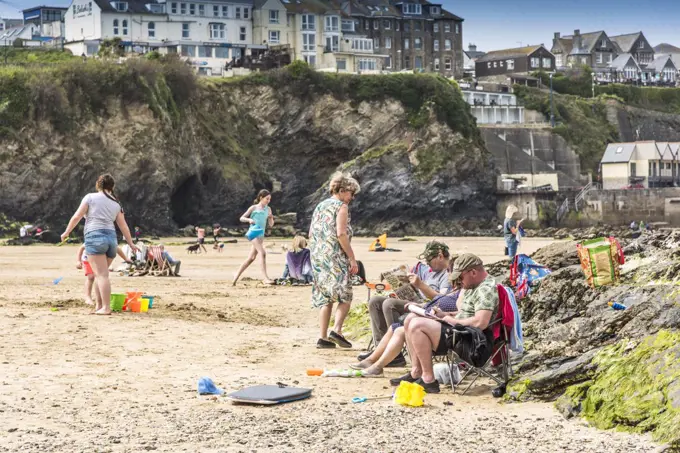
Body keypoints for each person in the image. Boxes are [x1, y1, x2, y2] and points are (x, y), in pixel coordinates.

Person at [396, 253, 499, 393]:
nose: (459, 282)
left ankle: (428, 380)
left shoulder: (485, 289)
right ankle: (416, 371)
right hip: (462, 331)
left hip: (471, 340)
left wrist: (452, 321)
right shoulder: (474, 285)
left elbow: (481, 322)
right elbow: (469, 314)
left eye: (460, 277)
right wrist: (446, 315)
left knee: (417, 325)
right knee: (409, 319)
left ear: (473, 272)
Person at [363, 241, 453, 363]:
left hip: (429, 308)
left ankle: (395, 354)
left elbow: (443, 299)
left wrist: (421, 285)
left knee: (389, 304)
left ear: (440, 256)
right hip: (417, 301)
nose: (427, 262)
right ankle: (380, 348)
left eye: (429, 259)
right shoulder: (429, 270)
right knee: (375, 301)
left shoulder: (447, 275)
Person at [61, 174, 138, 315]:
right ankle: (99, 306)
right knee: (100, 274)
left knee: (102, 275)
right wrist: (131, 243)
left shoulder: (90, 197)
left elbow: (77, 216)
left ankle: (106, 308)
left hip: (95, 237)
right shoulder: (116, 203)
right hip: (111, 239)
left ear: (98, 184)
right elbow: (123, 226)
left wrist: (66, 232)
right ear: (112, 187)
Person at [351, 289, 463, 376]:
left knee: (403, 327)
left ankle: (382, 364)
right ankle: (373, 361)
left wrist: (444, 315)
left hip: (444, 328)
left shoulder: (465, 291)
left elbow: (462, 314)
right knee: (397, 327)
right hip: (430, 315)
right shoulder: (458, 288)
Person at [309, 172, 360, 349]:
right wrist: (352, 258)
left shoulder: (320, 206)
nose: (352, 198)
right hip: (335, 256)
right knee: (345, 295)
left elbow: (312, 233)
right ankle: (337, 330)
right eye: (351, 193)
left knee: (326, 297)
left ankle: (322, 337)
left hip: (318, 256)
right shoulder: (341, 207)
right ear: (343, 190)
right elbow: (341, 234)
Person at [232, 189, 275, 285]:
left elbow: (271, 225)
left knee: (251, 258)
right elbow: (241, 218)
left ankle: (236, 276)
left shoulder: (268, 209)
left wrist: (271, 217)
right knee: (263, 253)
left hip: (261, 236)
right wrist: (249, 220)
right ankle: (265, 278)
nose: (268, 201)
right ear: (261, 198)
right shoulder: (254, 208)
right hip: (253, 234)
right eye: (267, 199)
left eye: (269, 199)